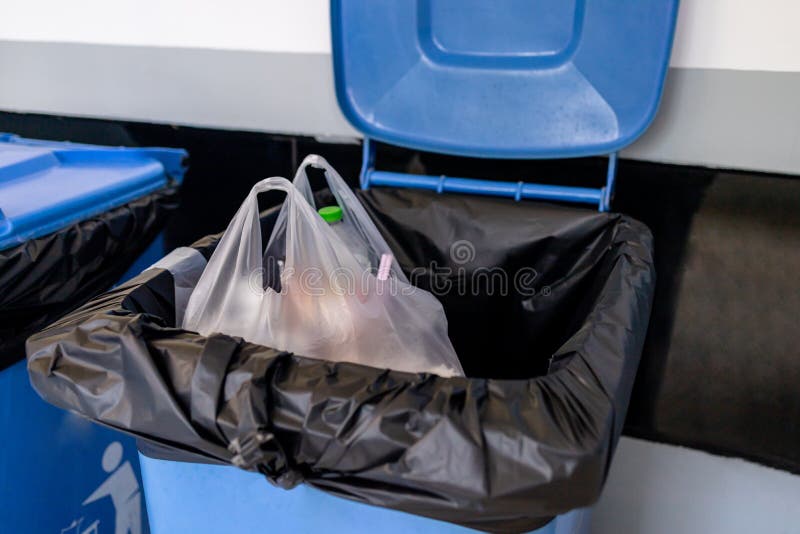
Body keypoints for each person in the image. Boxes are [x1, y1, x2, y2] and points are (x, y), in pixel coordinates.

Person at [82, 442, 142, 534]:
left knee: (134, 526)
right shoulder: (123, 471)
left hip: (130, 500)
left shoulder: (124, 470)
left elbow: (103, 489)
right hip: (124, 503)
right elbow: (103, 490)